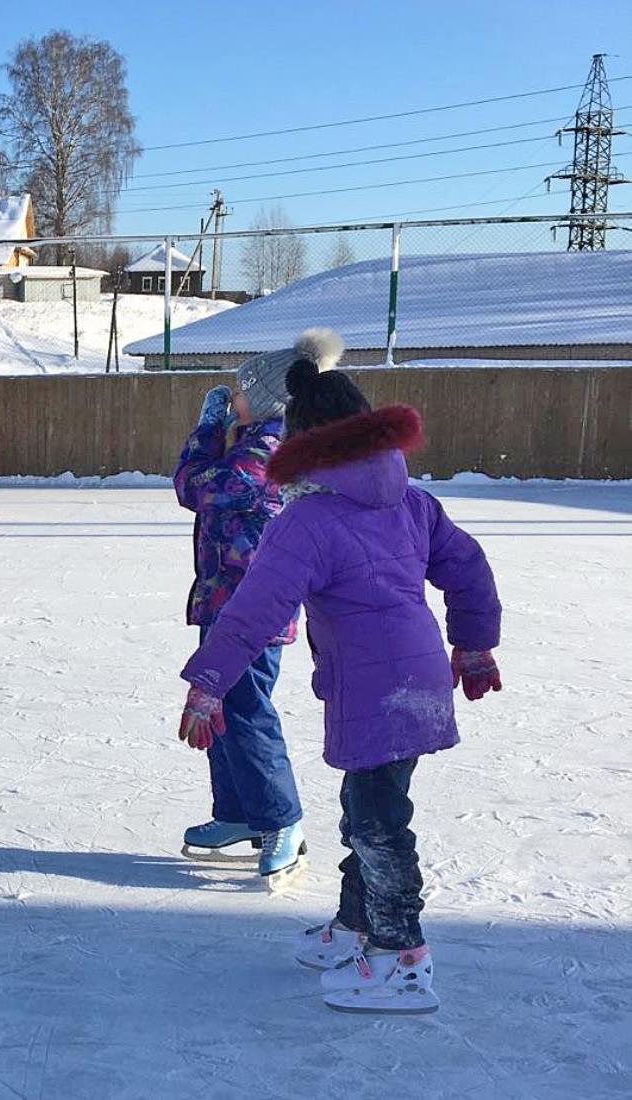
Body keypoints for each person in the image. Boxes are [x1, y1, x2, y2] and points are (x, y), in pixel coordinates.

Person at [176, 360, 502, 1014]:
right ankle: (357, 928)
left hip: (373, 690)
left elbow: (253, 610)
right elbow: (467, 567)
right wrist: (471, 644)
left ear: (304, 441)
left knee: (379, 825)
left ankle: (401, 958)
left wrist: (208, 685)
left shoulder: (309, 520)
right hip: (421, 679)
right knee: (367, 809)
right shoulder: (412, 500)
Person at [173, 328, 343, 885]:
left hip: (255, 608)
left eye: (242, 391)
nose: (231, 398)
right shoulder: (249, 442)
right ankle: (239, 813)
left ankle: (281, 821)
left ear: (270, 400)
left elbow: (196, 487)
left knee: (244, 710)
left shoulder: (269, 450)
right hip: (223, 597)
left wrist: (205, 429)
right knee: (218, 707)